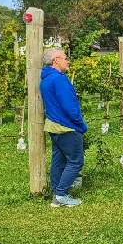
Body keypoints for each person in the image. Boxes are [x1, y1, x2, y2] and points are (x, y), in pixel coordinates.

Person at [40, 48, 87, 208]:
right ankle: (61, 195)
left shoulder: (46, 79)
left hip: (53, 125)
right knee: (76, 161)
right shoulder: (59, 79)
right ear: (56, 61)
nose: (67, 61)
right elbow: (70, 106)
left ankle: (56, 192)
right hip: (66, 126)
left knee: (58, 160)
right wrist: (80, 124)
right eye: (65, 58)